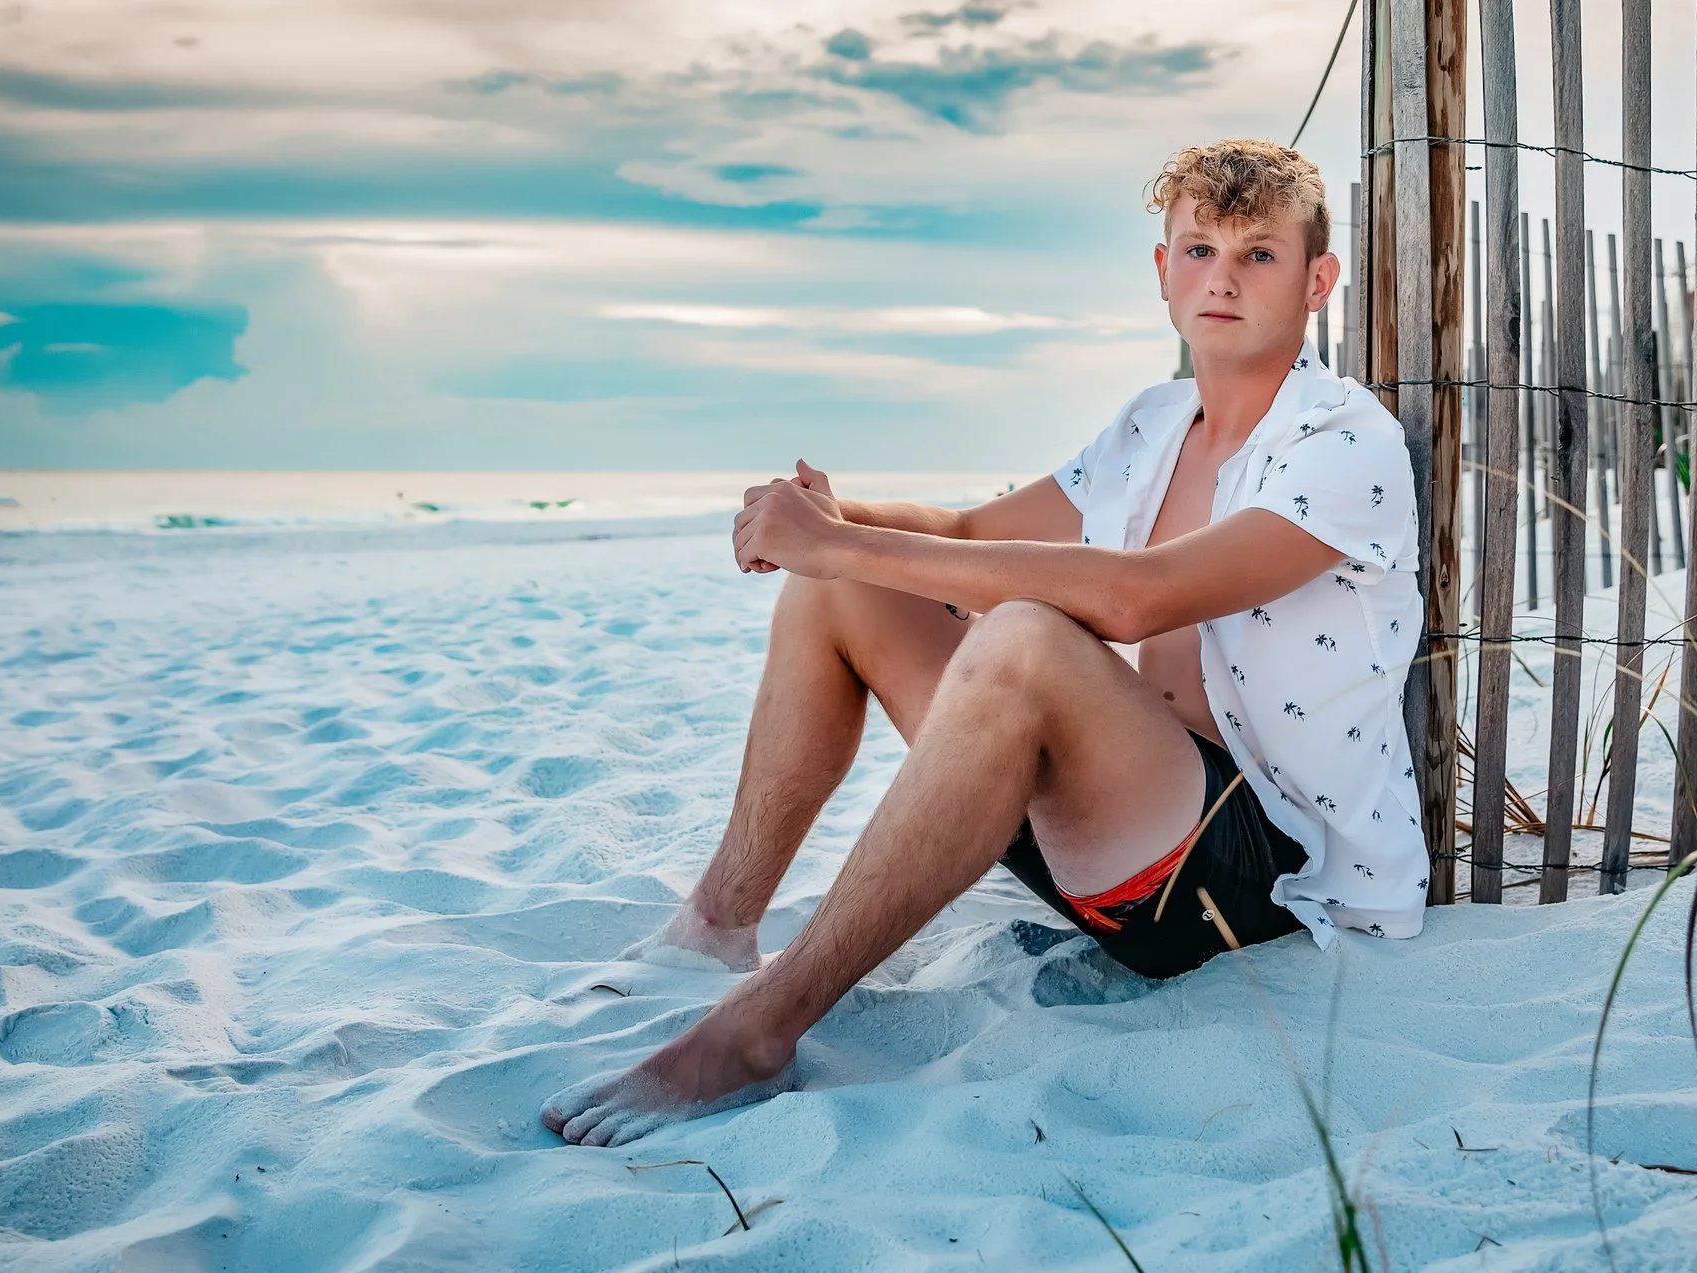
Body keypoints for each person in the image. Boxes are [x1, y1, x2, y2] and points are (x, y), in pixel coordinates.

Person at [545, 138, 1427, 1148]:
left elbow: (1135, 599)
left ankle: (756, 1031)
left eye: (1258, 254)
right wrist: (833, 521)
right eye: (1199, 250)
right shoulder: (1156, 421)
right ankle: (717, 925)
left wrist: (840, 540)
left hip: (1252, 878)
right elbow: (969, 531)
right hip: (1113, 838)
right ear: (1162, 271)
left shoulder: (1343, 442)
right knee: (846, 588)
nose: (1221, 278)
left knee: (1023, 636)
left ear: (1316, 280)